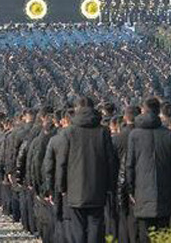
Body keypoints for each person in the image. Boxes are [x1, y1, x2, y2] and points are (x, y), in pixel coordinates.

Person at [48, 97, 117, 243]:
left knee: (77, 227)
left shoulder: (68, 132)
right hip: (98, 187)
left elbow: (62, 162)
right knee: (96, 225)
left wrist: (61, 186)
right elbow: (111, 161)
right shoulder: (103, 132)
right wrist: (111, 185)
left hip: (74, 188)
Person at [125, 98, 171, 243]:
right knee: (163, 233)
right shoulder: (168, 134)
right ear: (158, 112)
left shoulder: (134, 135)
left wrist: (130, 190)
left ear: (143, 110)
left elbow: (129, 165)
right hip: (164, 189)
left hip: (141, 191)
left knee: (144, 233)